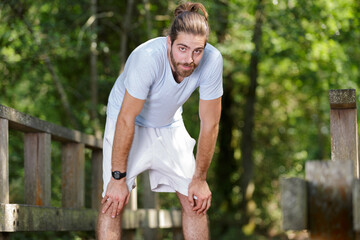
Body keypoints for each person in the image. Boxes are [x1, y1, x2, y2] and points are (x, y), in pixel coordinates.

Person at [96, 2, 223, 239]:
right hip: (127, 121)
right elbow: (126, 118)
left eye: (197, 51)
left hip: (169, 124)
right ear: (169, 42)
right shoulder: (147, 58)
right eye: (182, 49)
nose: (190, 59)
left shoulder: (213, 61)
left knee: (195, 200)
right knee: (113, 202)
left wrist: (200, 179)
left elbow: (210, 124)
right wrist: (117, 178)